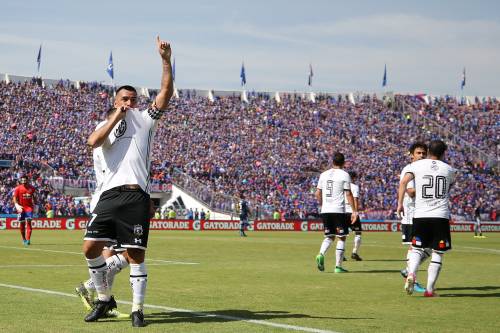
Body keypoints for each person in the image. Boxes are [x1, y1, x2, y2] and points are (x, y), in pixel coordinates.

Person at [82, 36, 173, 326]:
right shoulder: (104, 125)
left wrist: (165, 60)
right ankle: (105, 300)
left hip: (135, 195)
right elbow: (93, 142)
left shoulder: (146, 119)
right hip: (109, 195)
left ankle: (137, 310)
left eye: (133, 99)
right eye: (125, 99)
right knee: (90, 248)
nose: (130, 103)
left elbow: (166, 93)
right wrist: (114, 118)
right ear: (115, 101)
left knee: (135, 254)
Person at [397, 140, 456, 297]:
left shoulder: (416, 166)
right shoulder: (449, 169)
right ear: (444, 153)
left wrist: (399, 204)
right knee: (437, 252)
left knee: (416, 248)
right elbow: (449, 187)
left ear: (428, 151)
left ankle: (411, 274)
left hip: (421, 214)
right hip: (440, 216)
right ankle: (430, 290)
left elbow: (403, 182)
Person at [315, 153, 358, 273]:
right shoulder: (345, 175)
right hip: (338, 210)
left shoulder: (323, 174)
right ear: (344, 163)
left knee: (329, 236)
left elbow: (317, 193)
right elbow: (348, 194)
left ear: (332, 162)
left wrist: (323, 205)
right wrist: (354, 211)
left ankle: (321, 253)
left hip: (326, 210)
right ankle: (338, 266)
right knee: (341, 237)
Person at [399, 142, 430, 293]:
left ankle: (408, 271)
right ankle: (412, 278)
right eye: (419, 153)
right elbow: (410, 191)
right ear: (412, 154)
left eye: (424, 153)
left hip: (423, 212)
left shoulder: (424, 169)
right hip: (411, 214)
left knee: (430, 247)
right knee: (415, 247)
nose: (422, 156)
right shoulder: (410, 169)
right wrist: (429, 189)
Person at [13, 175, 36, 246]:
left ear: (27, 180)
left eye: (25, 180)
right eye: (22, 181)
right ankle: (24, 239)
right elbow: (14, 197)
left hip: (29, 208)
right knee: (22, 224)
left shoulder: (32, 188)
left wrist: (36, 205)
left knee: (29, 222)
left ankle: (28, 240)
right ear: (20, 181)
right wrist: (16, 205)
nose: (23, 182)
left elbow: (34, 197)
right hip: (21, 208)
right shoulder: (18, 188)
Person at [345, 171, 362, 261]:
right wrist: (355, 212)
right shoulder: (355, 187)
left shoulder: (342, 186)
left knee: (342, 234)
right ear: (354, 178)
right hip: (351, 212)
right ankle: (354, 252)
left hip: (342, 212)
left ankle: (341, 254)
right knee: (358, 233)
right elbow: (355, 199)